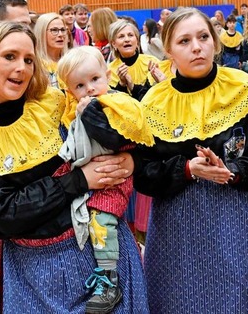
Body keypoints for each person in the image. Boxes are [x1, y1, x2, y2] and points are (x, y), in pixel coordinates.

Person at [0, 21, 148, 313]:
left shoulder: (54, 104)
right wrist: (79, 180)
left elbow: (128, 135)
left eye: (29, 59)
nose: (22, 68)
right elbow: (7, 213)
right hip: (34, 273)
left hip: (103, 255)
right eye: (10, 56)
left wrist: (131, 162)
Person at [135, 7, 248, 313]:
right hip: (176, 228)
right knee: (181, 302)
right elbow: (142, 173)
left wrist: (231, 170)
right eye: (184, 41)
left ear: (216, 43)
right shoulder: (152, 103)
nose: (196, 47)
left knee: (245, 299)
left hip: (238, 219)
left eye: (204, 37)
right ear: (169, 51)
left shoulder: (246, 90)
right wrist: (187, 169)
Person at [57, 46, 154, 314]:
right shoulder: (76, 108)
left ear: (107, 74)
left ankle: (110, 281)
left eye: (94, 80)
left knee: (101, 222)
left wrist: (89, 113)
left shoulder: (118, 104)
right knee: (87, 222)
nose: (89, 88)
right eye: (79, 85)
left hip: (114, 179)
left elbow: (118, 138)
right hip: (94, 178)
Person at [108, 19, 160, 100]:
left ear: (137, 40)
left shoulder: (152, 62)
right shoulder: (109, 70)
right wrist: (121, 85)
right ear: (114, 44)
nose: (127, 39)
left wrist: (132, 86)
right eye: (121, 36)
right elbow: (113, 101)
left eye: (130, 35)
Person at [33, 12, 69, 88]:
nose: (60, 34)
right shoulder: (35, 64)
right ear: (42, 33)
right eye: (54, 30)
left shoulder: (71, 61)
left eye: (63, 30)